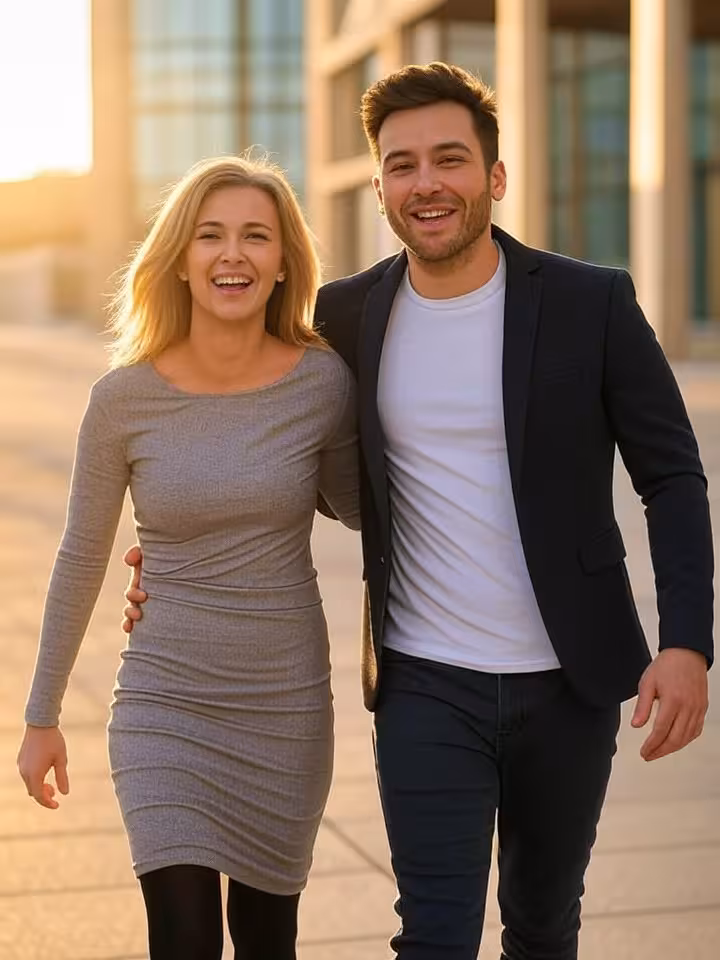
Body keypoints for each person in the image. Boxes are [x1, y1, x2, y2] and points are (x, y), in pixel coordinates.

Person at [124, 63, 713, 960]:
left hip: (571, 681)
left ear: (494, 177)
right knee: (432, 935)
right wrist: (174, 558)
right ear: (380, 188)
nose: (426, 183)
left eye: (449, 159)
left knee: (543, 926)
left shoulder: (590, 303)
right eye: (402, 165)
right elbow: (261, 440)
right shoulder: (347, 316)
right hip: (425, 682)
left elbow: (671, 476)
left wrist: (686, 642)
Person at [17, 154, 360, 960]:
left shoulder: (323, 383)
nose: (231, 254)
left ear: (284, 263)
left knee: (268, 941)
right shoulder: (123, 399)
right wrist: (42, 716)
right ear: (178, 257)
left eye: (254, 237)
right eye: (209, 235)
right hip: (164, 704)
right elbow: (81, 554)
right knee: (184, 937)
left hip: (285, 706)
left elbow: (359, 509)